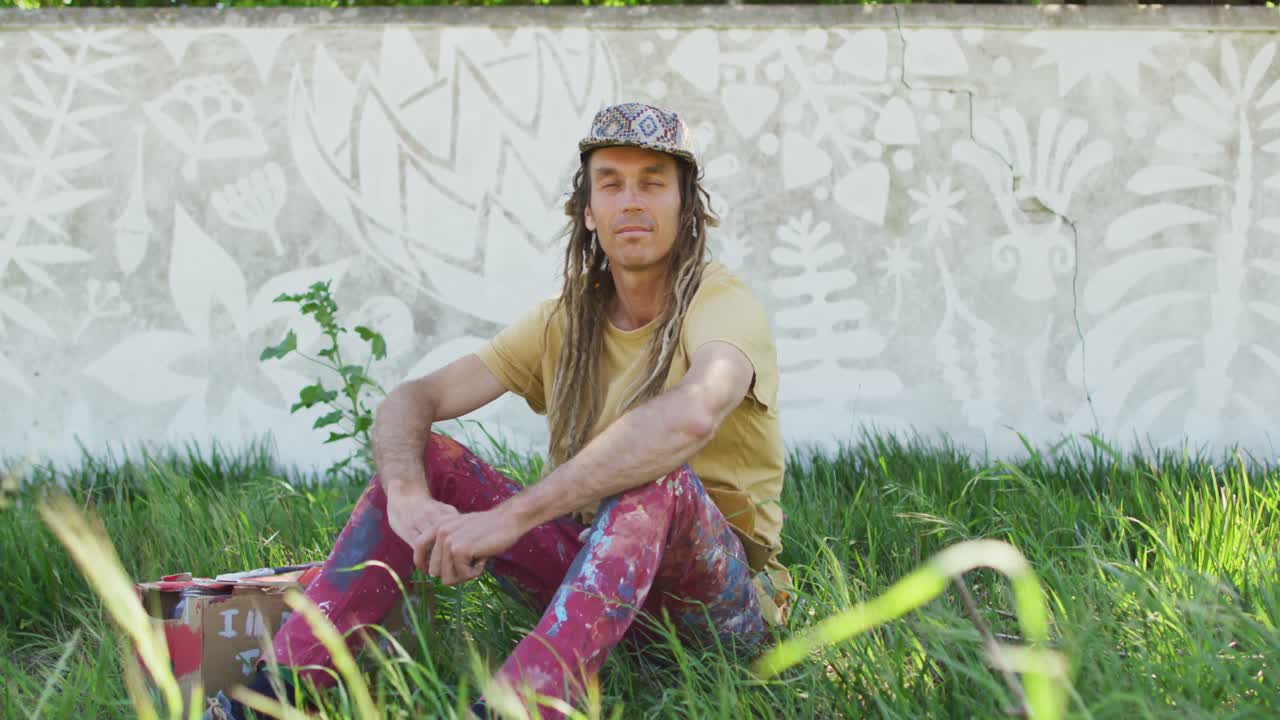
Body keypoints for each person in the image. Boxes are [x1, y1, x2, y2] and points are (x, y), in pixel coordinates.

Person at [206, 102, 791, 720]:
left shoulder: (723, 302)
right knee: (429, 459)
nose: (633, 200)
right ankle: (270, 699)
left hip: (721, 617)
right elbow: (413, 400)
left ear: (685, 207)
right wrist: (409, 496)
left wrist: (514, 517)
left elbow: (690, 417)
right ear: (589, 212)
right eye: (611, 183)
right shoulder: (565, 319)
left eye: (653, 183)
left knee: (653, 472)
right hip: (597, 585)